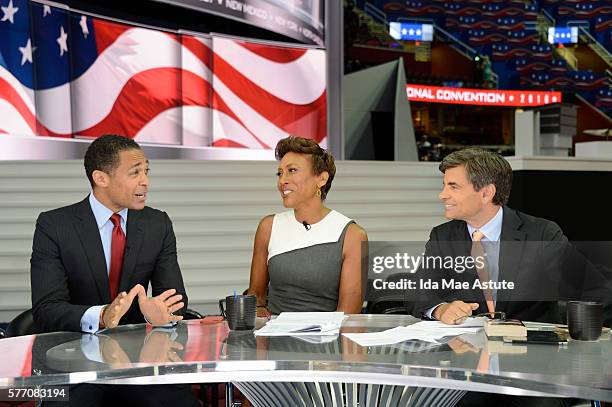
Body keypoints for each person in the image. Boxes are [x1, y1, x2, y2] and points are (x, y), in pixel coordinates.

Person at [30, 134, 197, 406]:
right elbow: (47, 308)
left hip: (141, 364)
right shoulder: (54, 226)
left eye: (146, 171)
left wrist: (161, 315)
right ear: (101, 178)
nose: (146, 181)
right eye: (135, 173)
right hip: (75, 364)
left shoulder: (158, 224)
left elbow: (174, 300)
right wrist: (103, 315)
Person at [411, 147, 577, 407]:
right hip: (468, 363)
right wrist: (441, 308)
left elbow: (587, 288)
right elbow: (419, 292)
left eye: (453, 187)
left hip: (533, 365)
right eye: (444, 186)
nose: (442, 195)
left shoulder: (541, 233)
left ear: (486, 192)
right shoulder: (443, 236)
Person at [248, 136, 368, 315]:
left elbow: (349, 314)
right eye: (280, 173)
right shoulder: (268, 227)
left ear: (321, 179)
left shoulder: (353, 235)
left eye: (292, 170)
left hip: (326, 339)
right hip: (274, 338)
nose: (282, 181)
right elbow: (256, 297)